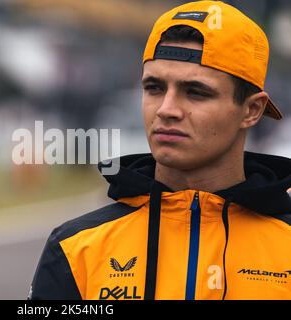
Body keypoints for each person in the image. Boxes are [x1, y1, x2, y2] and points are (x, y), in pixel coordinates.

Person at [29, 0, 291, 300]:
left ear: (252, 110)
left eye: (196, 92)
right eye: (154, 88)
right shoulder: (77, 249)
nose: (166, 110)